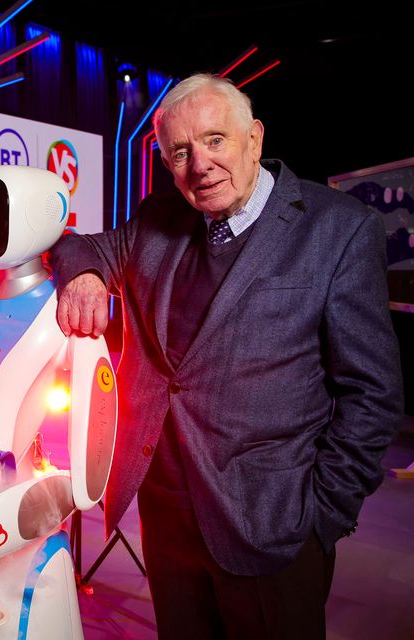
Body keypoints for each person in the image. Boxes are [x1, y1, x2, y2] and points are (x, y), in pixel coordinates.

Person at [50, 74, 402, 638]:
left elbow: (374, 394)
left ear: (254, 139)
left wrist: (322, 517)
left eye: (216, 140)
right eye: (181, 152)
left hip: (272, 525)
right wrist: (88, 275)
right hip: (167, 521)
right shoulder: (158, 219)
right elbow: (78, 245)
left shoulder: (337, 228)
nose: (200, 164)